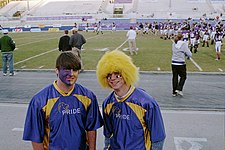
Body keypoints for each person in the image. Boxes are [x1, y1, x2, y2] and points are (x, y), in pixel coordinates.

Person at [23, 52, 103, 150]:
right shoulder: (39, 100)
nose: (71, 74)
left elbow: (91, 129)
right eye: (66, 69)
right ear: (56, 71)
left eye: (75, 70)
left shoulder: (88, 97)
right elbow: (36, 137)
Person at [96, 50, 166, 150]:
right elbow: (108, 135)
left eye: (117, 74)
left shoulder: (147, 103)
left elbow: (158, 138)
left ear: (126, 73)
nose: (113, 79)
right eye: (108, 76)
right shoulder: (107, 103)